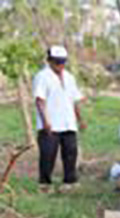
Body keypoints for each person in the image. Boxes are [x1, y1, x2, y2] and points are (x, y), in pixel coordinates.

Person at [33, 45, 86, 192]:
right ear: (49, 61)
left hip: (68, 122)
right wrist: (45, 121)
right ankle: (45, 184)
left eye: (63, 62)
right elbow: (39, 100)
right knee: (48, 154)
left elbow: (74, 100)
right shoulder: (42, 76)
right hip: (51, 123)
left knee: (71, 152)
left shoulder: (69, 77)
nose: (60, 65)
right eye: (57, 62)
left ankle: (69, 182)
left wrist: (80, 119)